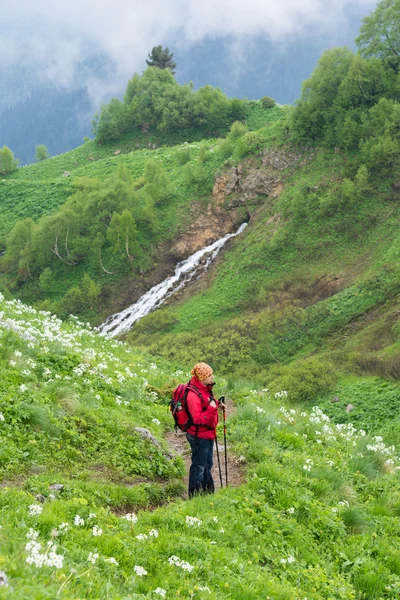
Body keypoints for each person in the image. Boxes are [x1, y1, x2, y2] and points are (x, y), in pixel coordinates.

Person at [186, 362, 219, 498]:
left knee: (207, 464)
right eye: (209, 375)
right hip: (199, 436)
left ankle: (207, 494)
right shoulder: (192, 396)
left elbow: (208, 403)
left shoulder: (205, 389)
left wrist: (217, 405)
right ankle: (194, 497)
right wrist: (212, 408)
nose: (212, 377)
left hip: (208, 434)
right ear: (201, 377)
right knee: (199, 466)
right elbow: (197, 420)